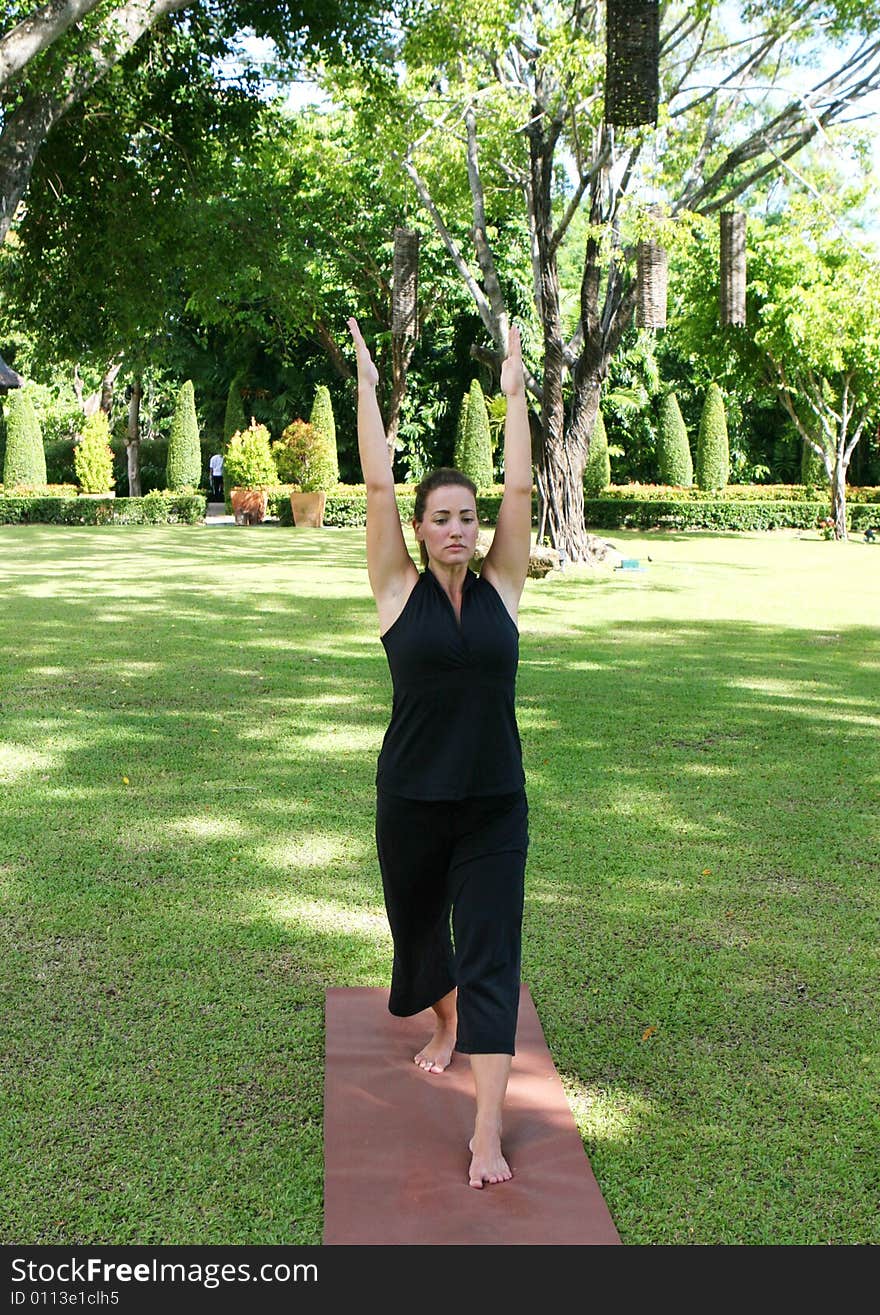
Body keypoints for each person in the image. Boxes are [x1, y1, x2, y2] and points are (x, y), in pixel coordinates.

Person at [347, 316, 533, 1190]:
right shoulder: (396, 591)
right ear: (420, 531)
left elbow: (522, 492)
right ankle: (445, 1019)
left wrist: (516, 395)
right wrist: (370, 387)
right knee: (420, 936)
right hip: (413, 799)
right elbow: (377, 485)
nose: (459, 528)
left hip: (495, 802)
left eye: (468, 516)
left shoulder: (503, 588)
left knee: (494, 951)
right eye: (443, 518)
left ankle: (486, 1128)